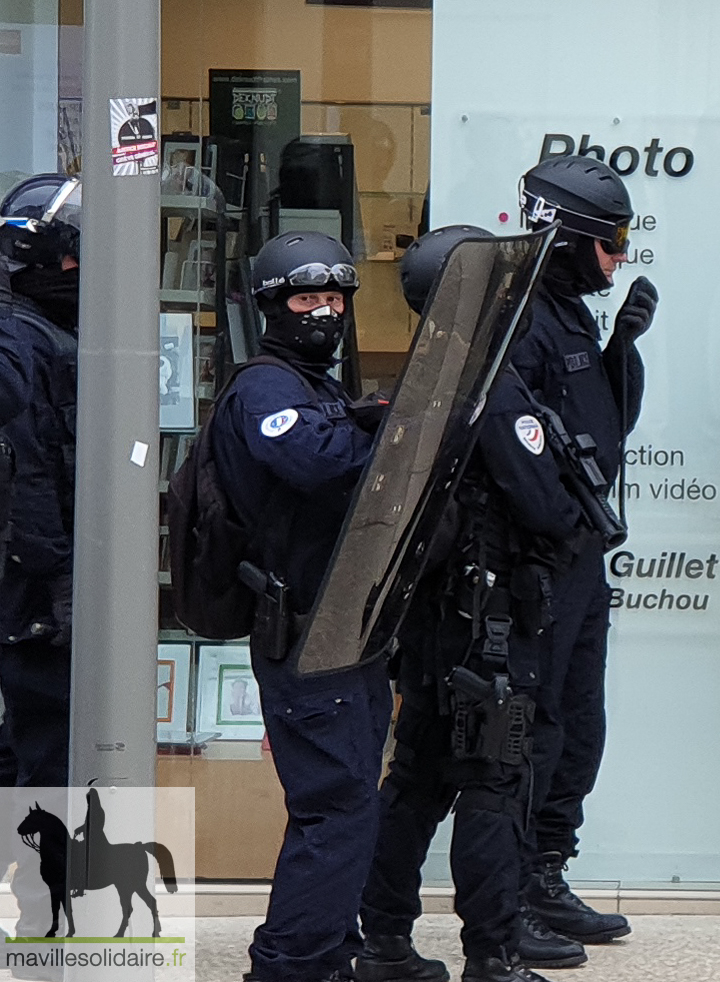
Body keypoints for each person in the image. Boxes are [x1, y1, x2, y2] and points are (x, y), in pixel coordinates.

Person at [359, 224, 596, 982]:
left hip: (435, 627)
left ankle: (386, 940)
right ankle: (490, 955)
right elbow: (548, 508)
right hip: (487, 629)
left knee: (417, 783)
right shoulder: (492, 393)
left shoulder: (428, 379)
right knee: (493, 785)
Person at [209, 230, 390, 982]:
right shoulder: (266, 388)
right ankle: (292, 964)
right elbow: (313, 461)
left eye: (337, 298)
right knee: (335, 806)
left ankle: (329, 950)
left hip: (344, 626)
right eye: (308, 298)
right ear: (273, 308)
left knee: (344, 802)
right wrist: (380, 430)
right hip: (305, 630)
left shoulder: (317, 388)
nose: (326, 312)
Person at [512, 155, 657, 946]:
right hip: (542, 560)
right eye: (610, 241)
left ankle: (547, 869)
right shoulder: (524, 318)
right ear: (566, 238)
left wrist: (620, 351)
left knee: (578, 720)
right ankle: (516, 892)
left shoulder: (570, 314)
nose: (620, 255)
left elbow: (602, 430)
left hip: (579, 557)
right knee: (536, 726)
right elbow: (516, 452)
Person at [0, 174, 82, 790]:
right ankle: (47, 888)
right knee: (52, 742)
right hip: (36, 584)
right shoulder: (27, 344)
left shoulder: (45, 334)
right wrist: (55, 582)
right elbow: (28, 470)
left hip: (40, 578)